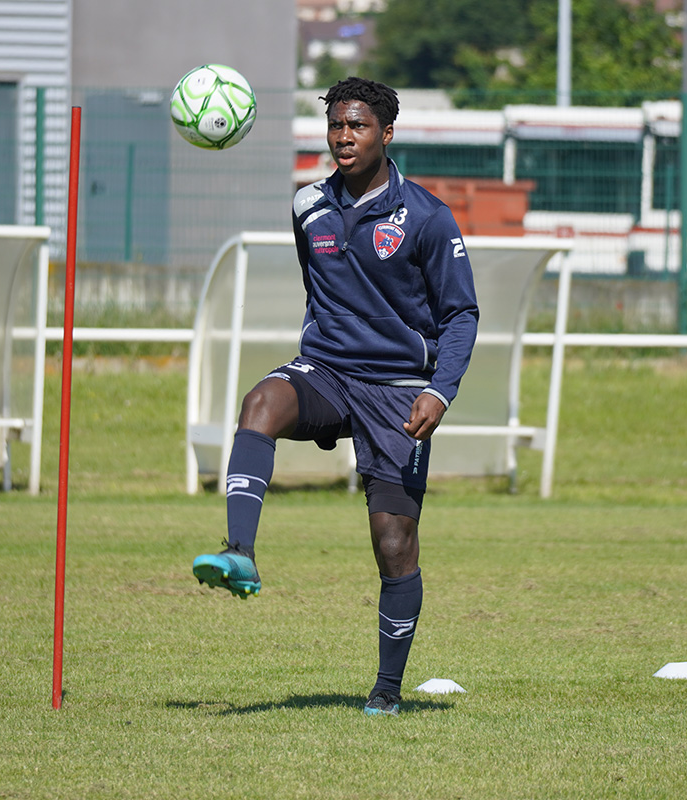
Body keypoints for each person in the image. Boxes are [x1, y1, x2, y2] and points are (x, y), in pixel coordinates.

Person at [191, 77, 479, 717]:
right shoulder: (307, 206)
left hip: (399, 391)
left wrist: (441, 391)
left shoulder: (427, 216)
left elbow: (461, 314)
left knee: (394, 542)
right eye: (336, 127)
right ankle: (240, 553)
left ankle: (385, 691)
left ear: (386, 133)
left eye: (358, 127)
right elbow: (320, 287)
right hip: (326, 369)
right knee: (259, 403)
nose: (344, 138)